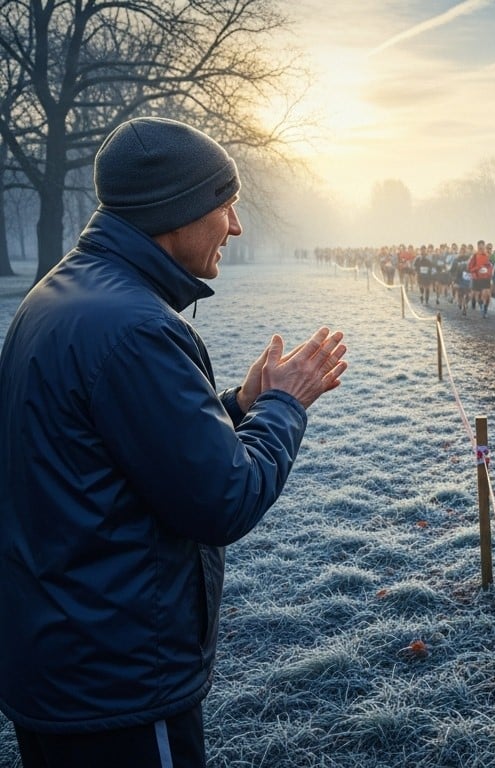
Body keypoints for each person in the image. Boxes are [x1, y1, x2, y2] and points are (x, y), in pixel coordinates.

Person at [0, 116, 348, 768]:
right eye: (225, 205)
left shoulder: (63, 296)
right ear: (176, 212)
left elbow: (114, 447)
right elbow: (223, 498)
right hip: (116, 690)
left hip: (58, 665)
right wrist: (284, 403)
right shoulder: (133, 325)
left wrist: (239, 405)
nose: (236, 225)